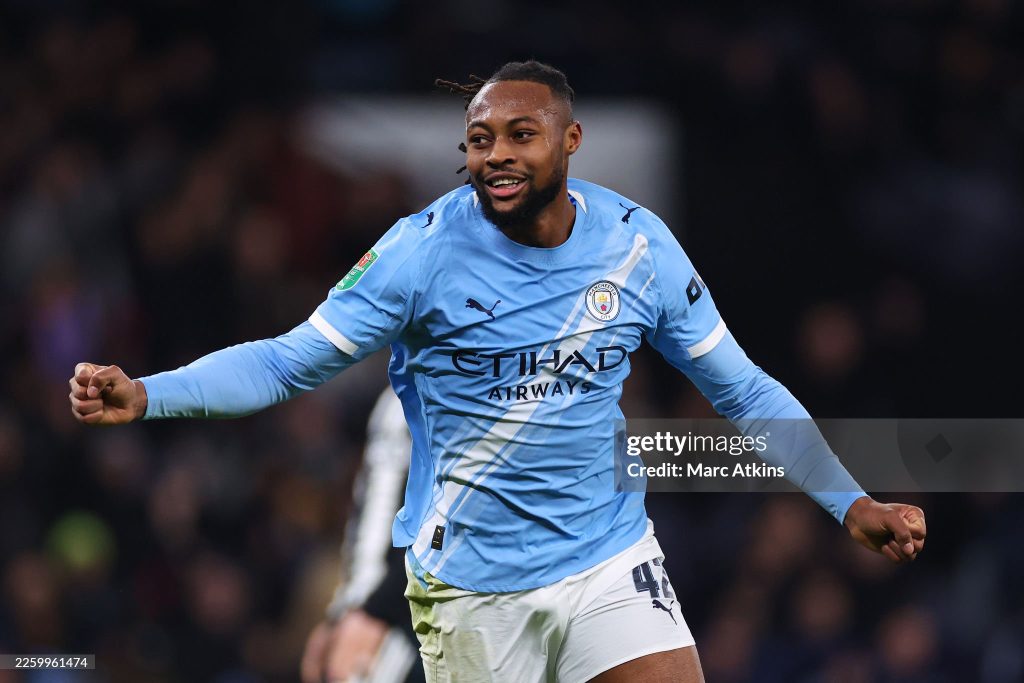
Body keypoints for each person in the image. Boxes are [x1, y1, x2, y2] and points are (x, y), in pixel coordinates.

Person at [70, 61, 926, 683]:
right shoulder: (419, 252)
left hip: (606, 559)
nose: (498, 155)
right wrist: (149, 393)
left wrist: (850, 501)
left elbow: (743, 389)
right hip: (475, 591)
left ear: (571, 140)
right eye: (480, 139)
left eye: (522, 134)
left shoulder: (637, 247)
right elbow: (288, 363)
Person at [301, 387, 424, 683]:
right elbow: (374, 518)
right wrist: (345, 613)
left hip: (420, 618)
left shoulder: (473, 385)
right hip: (384, 612)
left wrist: (374, 611)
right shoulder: (399, 390)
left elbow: (450, 516)